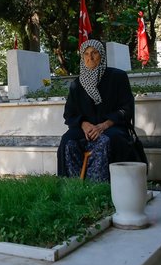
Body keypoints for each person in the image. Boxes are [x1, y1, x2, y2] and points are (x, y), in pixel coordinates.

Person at [57, 39, 137, 182]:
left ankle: (99, 186)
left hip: (112, 126)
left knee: (106, 140)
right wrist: (84, 124)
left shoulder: (117, 77)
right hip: (85, 129)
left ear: (102, 55)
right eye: (86, 54)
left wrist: (104, 125)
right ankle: (73, 185)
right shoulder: (77, 84)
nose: (90, 57)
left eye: (94, 53)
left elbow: (127, 108)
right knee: (68, 141)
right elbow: (69, 114)